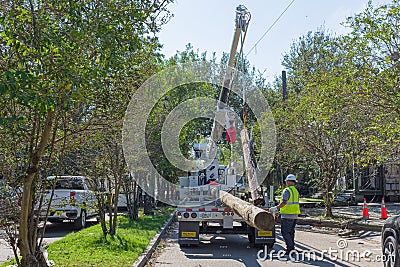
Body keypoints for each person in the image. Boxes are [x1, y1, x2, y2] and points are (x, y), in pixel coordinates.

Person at [270, 174, 301, 255]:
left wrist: (276, 208)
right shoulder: (295, 191)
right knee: (291, 232)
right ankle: (292, 248)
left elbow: (284, 202)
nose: (286, 183)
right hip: (294, 215)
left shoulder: (287, 190)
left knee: (285, 232)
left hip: (287, 215)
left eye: (286, 181)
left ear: (289, 181)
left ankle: (290, 249)